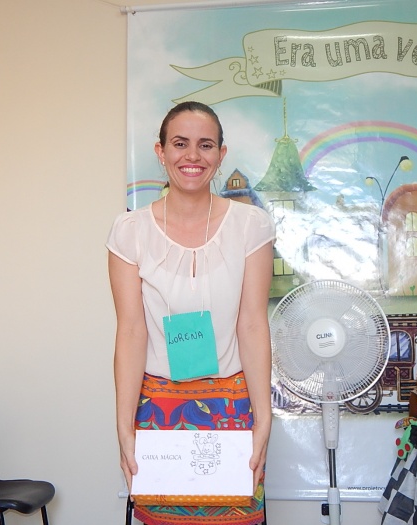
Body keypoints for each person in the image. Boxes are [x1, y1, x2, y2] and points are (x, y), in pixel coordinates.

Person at [107, 101, 275, 525]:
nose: (193, 156)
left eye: (206, 145)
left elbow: (253, 324)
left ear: (221, 154)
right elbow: (131, 331)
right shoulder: (130, 231)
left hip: (232, 405)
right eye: (180, 144)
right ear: (161, 152)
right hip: (159, 408)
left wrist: (264, 418)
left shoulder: (251, 225)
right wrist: (124, 426)